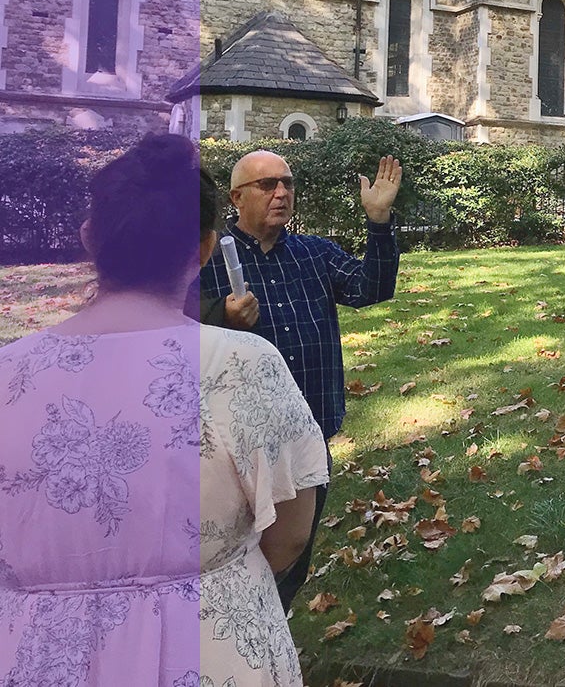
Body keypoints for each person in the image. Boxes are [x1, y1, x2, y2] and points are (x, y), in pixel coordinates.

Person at [0, 135, 328, 686]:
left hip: (37, 655)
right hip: (214, 650)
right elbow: (291, 532)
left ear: (89, 240)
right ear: (203, 249)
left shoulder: (9, 373)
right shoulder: (240, 364)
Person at [198, 147, 402, 608]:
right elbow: (171, 320)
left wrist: (380, 222)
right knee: (235, 555)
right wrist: (219, 314)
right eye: (267, 184)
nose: (282, 193)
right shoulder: (210, 256)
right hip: (236, 444)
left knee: (291, 557)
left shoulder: (315, 253)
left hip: (306, 436)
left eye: (288, 183)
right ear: (236, 198)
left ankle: (274, 637)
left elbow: (372, 287)